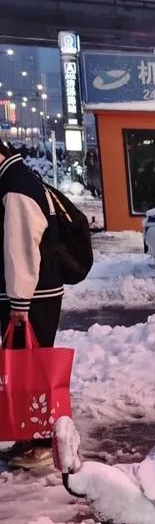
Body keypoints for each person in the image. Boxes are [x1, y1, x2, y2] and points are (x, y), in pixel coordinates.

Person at [0, 142, 65, 470]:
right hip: (31, 295)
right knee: (27, 370)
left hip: (30, 297)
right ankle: (30, 438)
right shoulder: (17, 179)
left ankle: (38, 443)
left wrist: (19, 302)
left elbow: (20, 248)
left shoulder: (15, 186)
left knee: (29, 372)